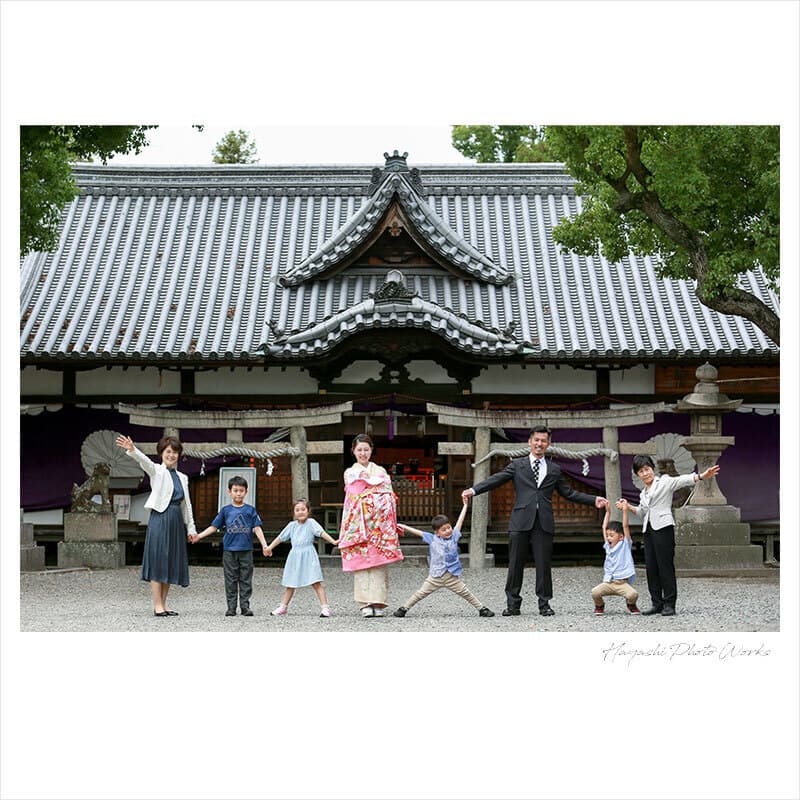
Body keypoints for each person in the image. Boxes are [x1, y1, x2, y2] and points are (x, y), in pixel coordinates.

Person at [463, 425, 607, 617]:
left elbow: (569, 493)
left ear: (548, 444)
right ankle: (513, 605)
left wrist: (593, 500)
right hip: (520, 519)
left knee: (543, 564)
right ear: (530, 442)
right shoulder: (517, 465)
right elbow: (496, 479)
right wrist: (473, 490)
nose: (539, 444)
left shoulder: (554, 469)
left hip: (544, 521)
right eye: (536, 440)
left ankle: (544, 604)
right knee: (515, 563)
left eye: (543, 441)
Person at [620, 455, 720, 616]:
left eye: (647, 469)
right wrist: (628, 506)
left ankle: (669, 604)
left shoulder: (665, 481)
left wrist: (701, 476)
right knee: (651, 568)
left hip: (664, 527)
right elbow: (642, 512)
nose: (645, 473)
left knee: (665, 566)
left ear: (652, 469)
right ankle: (656, 603)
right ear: (637, 474)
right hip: (649, 530)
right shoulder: (643, 493)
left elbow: (682, 480)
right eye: (641, 471)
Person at [116, 433, 197, 617]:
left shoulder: (183, 477)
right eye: (168, 452)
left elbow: (187, 505)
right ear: (162, 453)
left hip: (176, 520)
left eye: (175, 452)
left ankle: (165, 604)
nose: (171, 455)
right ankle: (157, 605)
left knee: (170, 562)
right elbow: (145, 462)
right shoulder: (157, 471)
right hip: (160, 518)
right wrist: (133, 449)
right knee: (158, 559)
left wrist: (191, 529)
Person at [393, 495, 494, 618]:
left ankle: (482, 609)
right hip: (435, 576)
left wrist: (465, 506)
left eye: (448, 527)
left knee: (465, 592)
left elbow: (460, 522)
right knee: (421, 593)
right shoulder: (432, 538)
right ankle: (403, 609)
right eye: (443, 529)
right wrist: (403, 526)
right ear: (437, 532)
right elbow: (417, 532)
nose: (448, 531)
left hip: (451, 575)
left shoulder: (455, 536)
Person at [338, 434, 403, 618]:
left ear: (371, 450)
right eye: (359, 450)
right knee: (361, 564)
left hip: (379, 526)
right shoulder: (350, 472)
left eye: (366, 449)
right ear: (353, 451)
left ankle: (378, 602)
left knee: (378, 563)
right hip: (358, 525)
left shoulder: (380, 470)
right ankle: (364, 603)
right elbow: (354, 495)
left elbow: (387, 493)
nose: (363, 453)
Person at [189, 475, 269, 617]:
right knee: (230, 579)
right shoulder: (226, 510)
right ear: (229, 492)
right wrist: (199, 536)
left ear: (246, 492)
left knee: (246, 579)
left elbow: (257, 528)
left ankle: (245, 607)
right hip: (229, 551)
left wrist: (264, 545)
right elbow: (214, 526)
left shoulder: (250, 510)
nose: (238, 493)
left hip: (246, 550)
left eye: (241, 490)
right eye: (235, 490)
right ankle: (231, 607)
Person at [264, 498, 339, 618]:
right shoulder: (291, 525)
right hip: (295, 555)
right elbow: (281, 537)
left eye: (303, 509)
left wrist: (333, 541)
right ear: (294, 512)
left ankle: (325, 608)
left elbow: (321, 532)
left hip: (309, 554)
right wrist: (269, 547)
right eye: (297, 510)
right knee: (290, 583)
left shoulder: (312, 523)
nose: (300, 512)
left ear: (308, 511)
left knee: (316, 582)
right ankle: (283, 607)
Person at [591, 498, 639, 615]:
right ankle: (600, 605)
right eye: (608, 536)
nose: (608, 538)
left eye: (612, 535)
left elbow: (625, 526)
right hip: (608, 582)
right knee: (595, 592)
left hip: (622, 583)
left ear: (621, 537)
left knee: (633, 594)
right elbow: (604, 527)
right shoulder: (608, 546)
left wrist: (625, 510)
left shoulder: (625, 545)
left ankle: (631, 604)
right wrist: (608, 511)